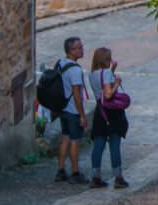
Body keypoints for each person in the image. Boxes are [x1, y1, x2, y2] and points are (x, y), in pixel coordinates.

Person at [88, 45, 130, 190]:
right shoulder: (106, 73)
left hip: (100, 112)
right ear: (105, 60)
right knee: (114, 144)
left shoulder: (93, 74)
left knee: (98, 144)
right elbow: (108, 94)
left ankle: (95, 176)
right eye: (109, 58)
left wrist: (112, 70)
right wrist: (117, 83)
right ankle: (118, 177)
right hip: (111, 113)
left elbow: (102, 87)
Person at [54, 36, 89, 184]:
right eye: (79, 48)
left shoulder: (60, 63)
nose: (82, 50)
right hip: (73, 111)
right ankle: (75, 173)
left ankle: (60, 171)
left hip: (63, 109)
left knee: (65, 139)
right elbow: (77, 95)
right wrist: (82, 115)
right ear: (71, 50)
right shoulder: (75, 70)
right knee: (75, 141)